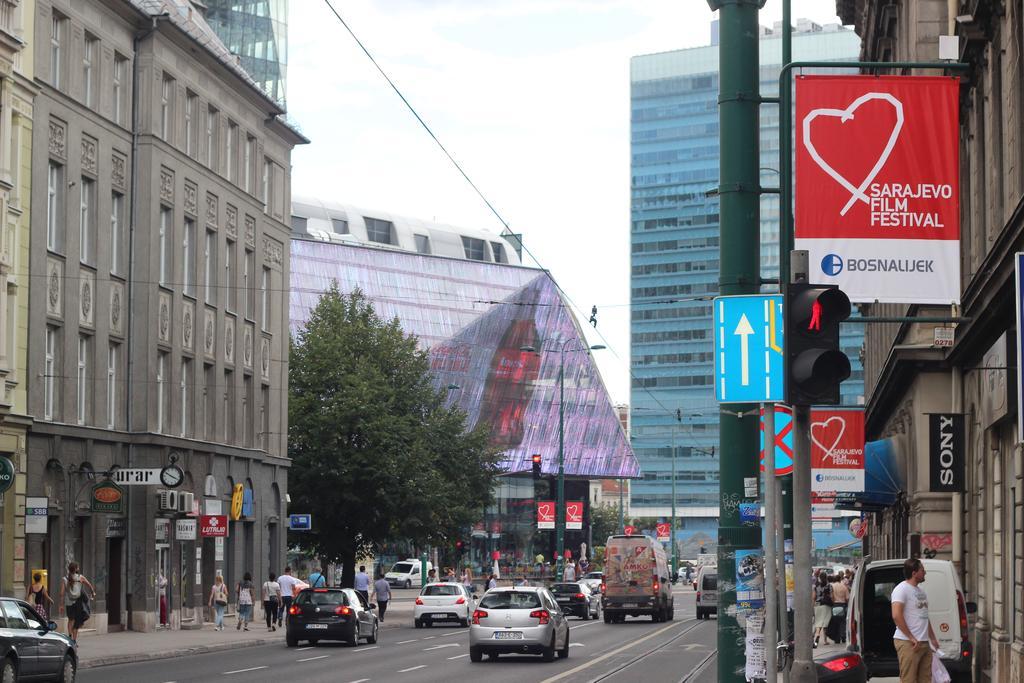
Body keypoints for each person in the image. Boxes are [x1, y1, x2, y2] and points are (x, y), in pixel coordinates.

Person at [892, 558, 939, 683]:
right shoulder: (901, 589)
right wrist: (911, 637)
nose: (925, 572)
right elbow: (896, 615)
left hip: (924, 642)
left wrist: (932, 638)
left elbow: (924, 616)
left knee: (926, 679)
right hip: (908, 642)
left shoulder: (921, 591)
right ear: (914, 573)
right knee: (909, 679)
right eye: (922, 570)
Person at [59, 562, 95, 642]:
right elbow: (89, 585)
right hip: (78, 602)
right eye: (78, 567)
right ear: (76, 569)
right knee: (77, 621)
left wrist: (61, 605)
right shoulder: (80, 577)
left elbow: (61, 593)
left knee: (70, 620)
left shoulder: (64, 579)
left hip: (68, 602)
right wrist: (92, 592)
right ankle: (74, 641)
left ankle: (69, 637)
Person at [813, 572, 833, 648]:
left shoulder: (816, 586)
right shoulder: (829, 586)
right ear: (826, 577)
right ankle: (825, 640)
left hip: (817, 605)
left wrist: (813, 606)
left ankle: (817, 634)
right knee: (825, 623)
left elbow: (813, 597)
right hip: (826, 605)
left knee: (818, 622)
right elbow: (831, 596)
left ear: (819, 578)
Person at [829, 574, 850, 644]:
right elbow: (847, 598)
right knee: (843, 621)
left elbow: (831, 596)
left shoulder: (832, 586)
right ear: (840, 579)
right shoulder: (844, 587)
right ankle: (843, 636)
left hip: (835, 605)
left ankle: (837, 638)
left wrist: (833, 601)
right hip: (842, 605)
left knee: (835, 622)